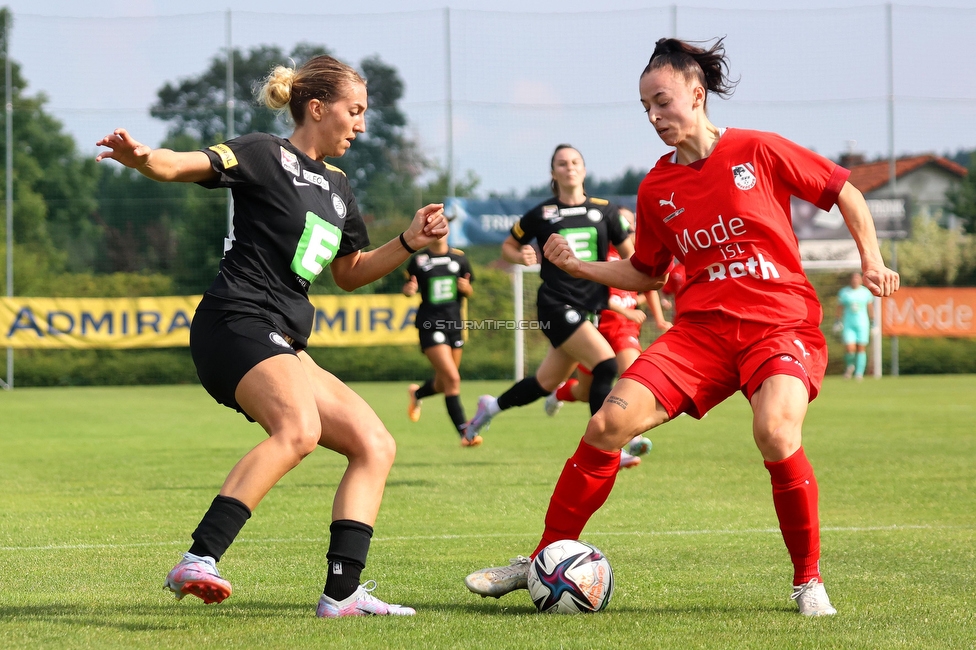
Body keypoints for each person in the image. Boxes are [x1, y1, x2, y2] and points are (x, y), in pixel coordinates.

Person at [463, 37, 899, 616]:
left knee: (774, 431)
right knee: (604, 426)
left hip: (780, 326)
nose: (654, 116)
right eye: (645, 107)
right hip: (700, 336)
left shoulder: (758, 149)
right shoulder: (656, 188)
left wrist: (869, 258)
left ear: (697, 94)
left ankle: (807, 580)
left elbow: (842, 188)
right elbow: (646, 272)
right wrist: (575, 265)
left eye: (662, 102)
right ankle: (542, 559)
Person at [96, 55, 449, 618]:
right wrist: (142, 159)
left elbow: (349, 272)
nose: (361, 125)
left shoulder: (338, 186)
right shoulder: (264, 153)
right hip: (234, 322)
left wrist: (407, 240)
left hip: (282, 337)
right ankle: (199, 558)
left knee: (375, 445)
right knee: (299, 429)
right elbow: (177, 164)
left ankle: (342, 594)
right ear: (316, 108)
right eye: (354, 111)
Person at [461, 145, 650, 470]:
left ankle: (489, 408)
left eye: (575, 162)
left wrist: (637, 292)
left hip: (588, 309)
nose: (569, 167)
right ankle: (607, 449)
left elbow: (633, 259)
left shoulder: (605, 212)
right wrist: (520, 256)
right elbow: (509, 246)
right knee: (606, 364)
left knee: (545, 383)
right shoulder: (542, 213)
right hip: (555, 304)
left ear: (584, 169)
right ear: (553, 173)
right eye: (562, 163)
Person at [403, 234, 479, 445]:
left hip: (454, 325)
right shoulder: (419, 260)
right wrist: (408, 291)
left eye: (443, 226)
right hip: (429, 325)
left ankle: (417, 394)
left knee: (444, 382)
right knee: (453, 380)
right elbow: (409, 288)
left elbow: (469, 289)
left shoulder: (459, 258)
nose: (439, 231)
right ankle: (466, 433)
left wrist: (467, 289)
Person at [835, 272, 875, 380]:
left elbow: (870, 308)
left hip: (862, 324)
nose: (855, 280)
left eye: (857, 278)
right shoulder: (844, 292)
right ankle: (850, 366)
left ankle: (859, 373)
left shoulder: (865, 292)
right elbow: (840, 307)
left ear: (861, 280)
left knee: (861, 348)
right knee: (850, 348)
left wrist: (873, 322)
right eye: (854, 278)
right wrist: (837, 320)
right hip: (849, 324)